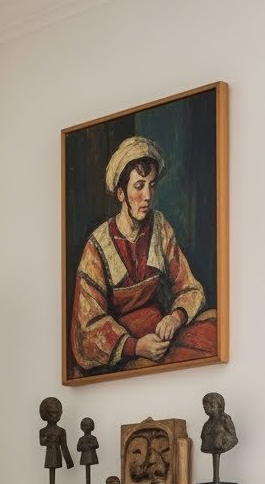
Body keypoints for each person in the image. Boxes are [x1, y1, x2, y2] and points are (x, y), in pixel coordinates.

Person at [70, 135, 217, 376]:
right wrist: (136, 346)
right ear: (121, 193)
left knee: (214, 330)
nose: (147, 196)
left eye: (152, 185)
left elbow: (190, 288)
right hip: (124, 353)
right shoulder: (97, 246)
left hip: (160, 338)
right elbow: (87, 329)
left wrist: (175, 318)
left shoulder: (160, 227)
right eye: (139, 186)